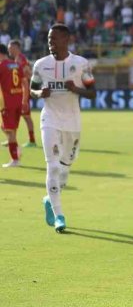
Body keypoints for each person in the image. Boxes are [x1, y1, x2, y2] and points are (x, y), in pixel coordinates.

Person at [30, 24, 96, 233]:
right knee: (53, 166)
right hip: (49, 119)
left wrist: (75, 88)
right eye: (49, 39)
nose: (51, 43)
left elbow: (93, 92)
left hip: (72, 123)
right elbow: (32, 88)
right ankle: (59, 215)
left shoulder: (81, 64)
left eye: (54, 39)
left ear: (67, 39)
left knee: (65, 170)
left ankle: (49, 199)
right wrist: (40, 94)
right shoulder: (40, 65)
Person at [5, 40, 37, 149]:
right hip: (17, 92)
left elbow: (27, 75)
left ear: (16, 47)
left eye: (10, 47)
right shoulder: (16, 59)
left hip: (22, 92)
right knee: (15, 116)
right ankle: (12, 139)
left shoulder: (21, 59)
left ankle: (32, 140)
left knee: (26, 116)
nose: (9, 49)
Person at [0, 45, 25, 168]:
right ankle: (17, 150)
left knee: (9, 132)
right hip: (18, 101)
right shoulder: (17, 65)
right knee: (11, 129)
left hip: (7, 103)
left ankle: (15, 159)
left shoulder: (1, 66)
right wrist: (24, 100)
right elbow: (24, 82)